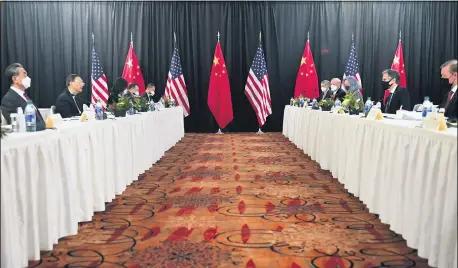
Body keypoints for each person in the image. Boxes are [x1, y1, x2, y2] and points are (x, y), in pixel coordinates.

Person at [1, 63, 45, 131]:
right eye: (24, 74)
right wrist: (43, 125)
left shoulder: (25, 96)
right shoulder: (8, 99)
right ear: (15, 79)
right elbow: (18, 125)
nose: (28, 78)